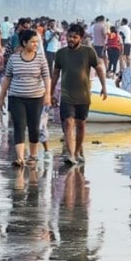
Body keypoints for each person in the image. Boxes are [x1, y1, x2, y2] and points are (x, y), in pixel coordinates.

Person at [51, 25, 108, 164]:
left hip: (83, 95)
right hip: (66, 94)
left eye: (75, 37)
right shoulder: (60, 53)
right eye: (69, 36)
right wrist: (50, 92)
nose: (71, 39)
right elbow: (55, 74)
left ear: (80, 38)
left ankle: (77, 152)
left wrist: (104, 87)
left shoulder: (88, 52)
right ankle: (70, 154)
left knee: (81, 124)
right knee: (69, 122)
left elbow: (99, 69)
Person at [0, 29, 51, 166]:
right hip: (16, 97)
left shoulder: (40, 58)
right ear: (24, 42)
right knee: (19, 126)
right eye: (32, 42)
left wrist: (48, 95)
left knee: (34, 127)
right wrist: (1, 96)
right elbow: (7, 78)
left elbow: (46, 77)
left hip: (36, 97)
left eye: (37, 42)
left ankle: (33, 155)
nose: (35, 44)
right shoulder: (13, 58)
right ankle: (20, 157)